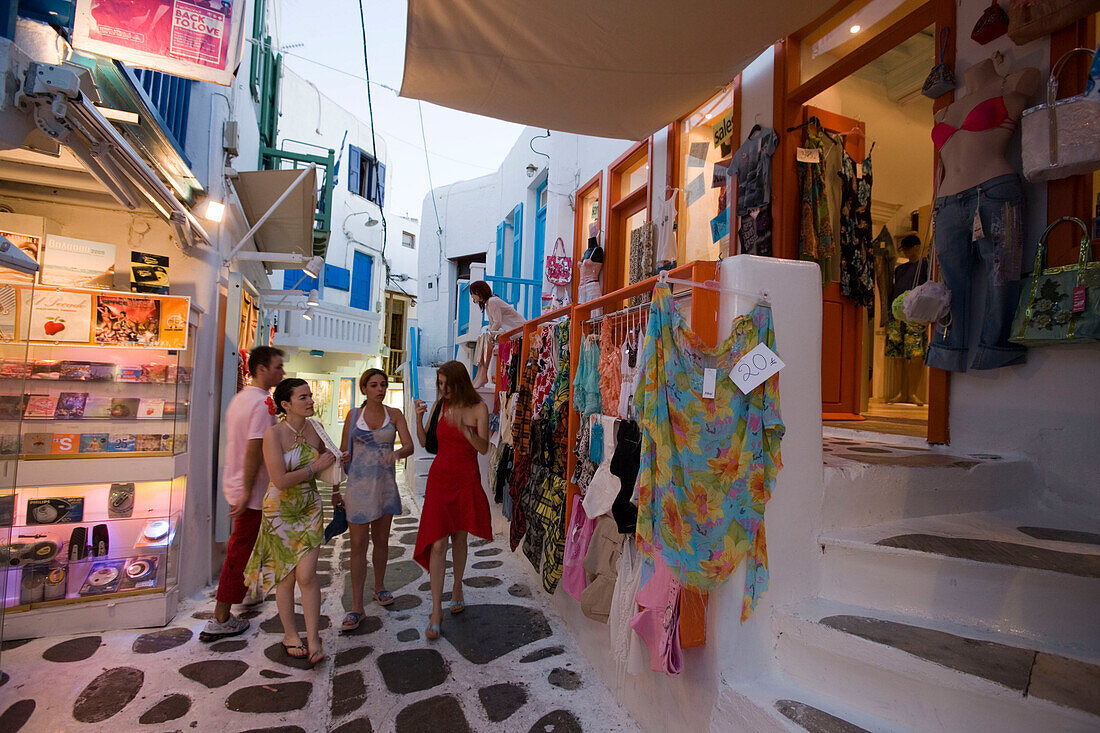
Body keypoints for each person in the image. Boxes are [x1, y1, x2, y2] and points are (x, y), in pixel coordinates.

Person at [244, 378, 337, 666]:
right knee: (285, 578)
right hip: (280, 512)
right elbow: (280, 480)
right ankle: (290, 634)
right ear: (285, 405)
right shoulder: (273, 435)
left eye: (310, 396)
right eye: (303, 397)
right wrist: (314, 467)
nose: (310, 401)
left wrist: (335, 478)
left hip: (309, 507)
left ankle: (313, 637)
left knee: (307, 576)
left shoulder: (316, 428)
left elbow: (328, 461)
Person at [200, 346, 284, 643]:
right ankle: (220, 617)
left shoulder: (241, 398)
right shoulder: (262, 403)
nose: (282, 372)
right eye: (277, 366)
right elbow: (253, 449)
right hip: (250, 490)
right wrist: (248, 490)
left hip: (240, 484)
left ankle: (247, 593)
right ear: (261, 368)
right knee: (240, 551)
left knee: (249, 547)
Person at [413, 361, 492, 640]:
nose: (443, 389)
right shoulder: (439, 406)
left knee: (459, 538)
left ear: (460, 383)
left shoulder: (479, 408)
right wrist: (417, 418)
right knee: (436, 543)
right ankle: (436, 609)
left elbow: (483, 448)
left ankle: (457, 586)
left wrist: (466, 430)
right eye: (439, 383)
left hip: (465, 479)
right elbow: (425, 444)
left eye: (447, 383)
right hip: (440, 480)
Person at [336, 368, 415, 631]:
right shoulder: (353, 415)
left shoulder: (394, 415)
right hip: (358, 487)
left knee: (381, 540)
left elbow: (409, 445)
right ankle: (356, 605)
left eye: (382, 384)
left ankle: (379, 587)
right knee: (357, 545)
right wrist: (337, 485)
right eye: (373, 385)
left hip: (384, 486)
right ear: (364, 389)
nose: (379, 389)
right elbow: (343, 450)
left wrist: (396, 454)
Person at [469, 280, 525, 388]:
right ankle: (480, 374)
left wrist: (489, 334)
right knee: (483, 338)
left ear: (478, 292)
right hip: (510, 331)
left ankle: (482, 375)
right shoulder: (488, 303)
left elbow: (497, 322)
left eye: (473, 293)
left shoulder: (492, 301)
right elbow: (493, 324)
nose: (472, 297)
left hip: (517, 331)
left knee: (486, 339)